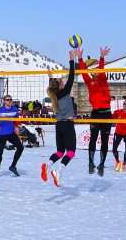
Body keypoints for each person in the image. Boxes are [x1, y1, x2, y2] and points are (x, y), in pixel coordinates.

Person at [41, 49, 77, 187]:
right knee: (71, 152)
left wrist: (51, 78)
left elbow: (54, 86)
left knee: (59, 152)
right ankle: (58, 172)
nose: (63, 81)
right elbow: (72, 76)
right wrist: (71, 59)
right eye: (61, 81)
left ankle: (48, 165)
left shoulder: (54, 95)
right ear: (61, 85)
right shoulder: (64, 91)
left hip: (59, 125)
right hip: (67, 125)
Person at [76, 46, 112, 177]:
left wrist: (102, 57)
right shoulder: (89, 82)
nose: (96, 72)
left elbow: (102, 69)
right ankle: (91, 162)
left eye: (97, 70)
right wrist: (80, 58)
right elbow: (84, 72)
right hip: (96, 113)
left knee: (105, 140)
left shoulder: (103, 81)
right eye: (94, 71)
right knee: (93, 139)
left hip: (107, 114)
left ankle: (101, 164)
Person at [0, 94, 23, 177]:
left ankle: (13, 166)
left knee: (20, 148)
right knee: (0, 152)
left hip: (11, 133)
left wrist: (17, 126)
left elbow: (17, 118)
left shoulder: (14, 109)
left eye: (11, 99)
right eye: (8, 100)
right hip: (1, 134)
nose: (10, 101)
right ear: (4, 101)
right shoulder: (0, 110)